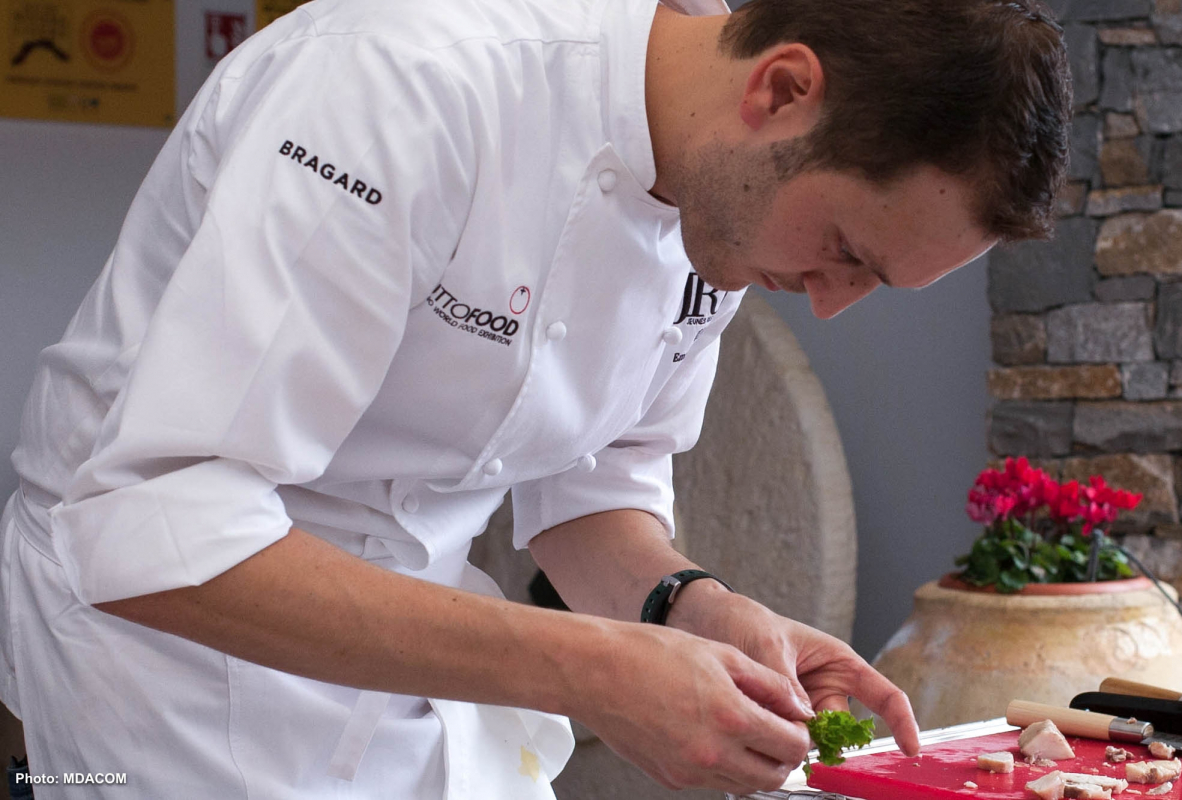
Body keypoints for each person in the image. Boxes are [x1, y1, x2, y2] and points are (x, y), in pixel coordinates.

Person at [0, 0, 1071, 796]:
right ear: (781, 91)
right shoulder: (401, 88)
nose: (831, 303)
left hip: (424, 670)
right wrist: (591, 668)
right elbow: (155, 530)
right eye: (845, 250)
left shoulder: (724, 201)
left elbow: (591, 496)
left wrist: (694, 609)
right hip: (163, 680)